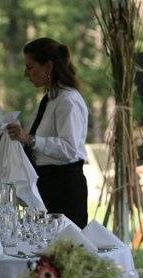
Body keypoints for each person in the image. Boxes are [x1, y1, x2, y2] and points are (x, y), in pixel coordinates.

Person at [6, 37, 89, 228]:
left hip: (64, 187)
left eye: (30, 67)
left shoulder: (67, 101)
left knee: (63, 248)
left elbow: (69, 148)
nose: (26, 73)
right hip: (46, 183)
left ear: (49, 67)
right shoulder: (50, 99)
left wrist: (31, 139)